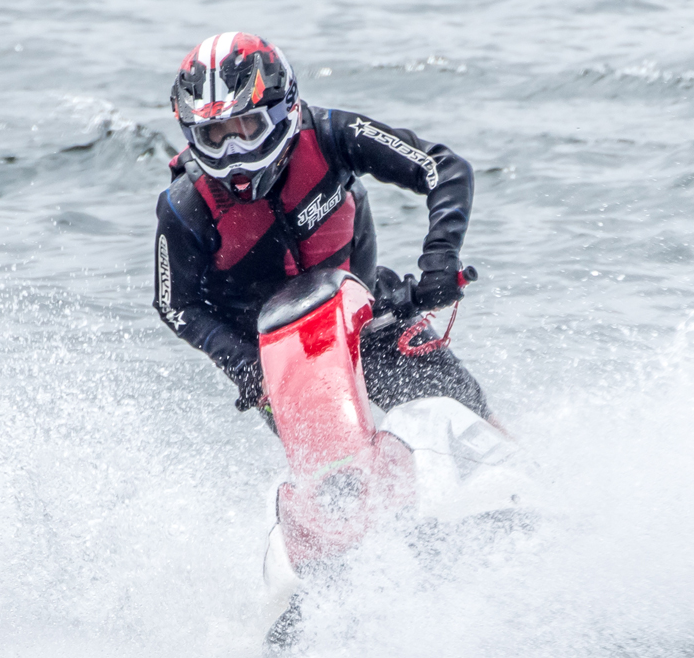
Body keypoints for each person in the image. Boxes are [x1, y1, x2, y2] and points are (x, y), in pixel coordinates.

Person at [153, 32, 490, 423]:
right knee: (344, 474)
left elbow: (444, 169)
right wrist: (244, 365)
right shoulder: (184, 206)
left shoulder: (333, 134)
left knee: (472, 416)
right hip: (281, 362)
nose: (233, 151)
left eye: (246, 126)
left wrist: (440, 259)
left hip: (373, 318)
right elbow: (175, 305)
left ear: (283, 110)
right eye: (213, 135)